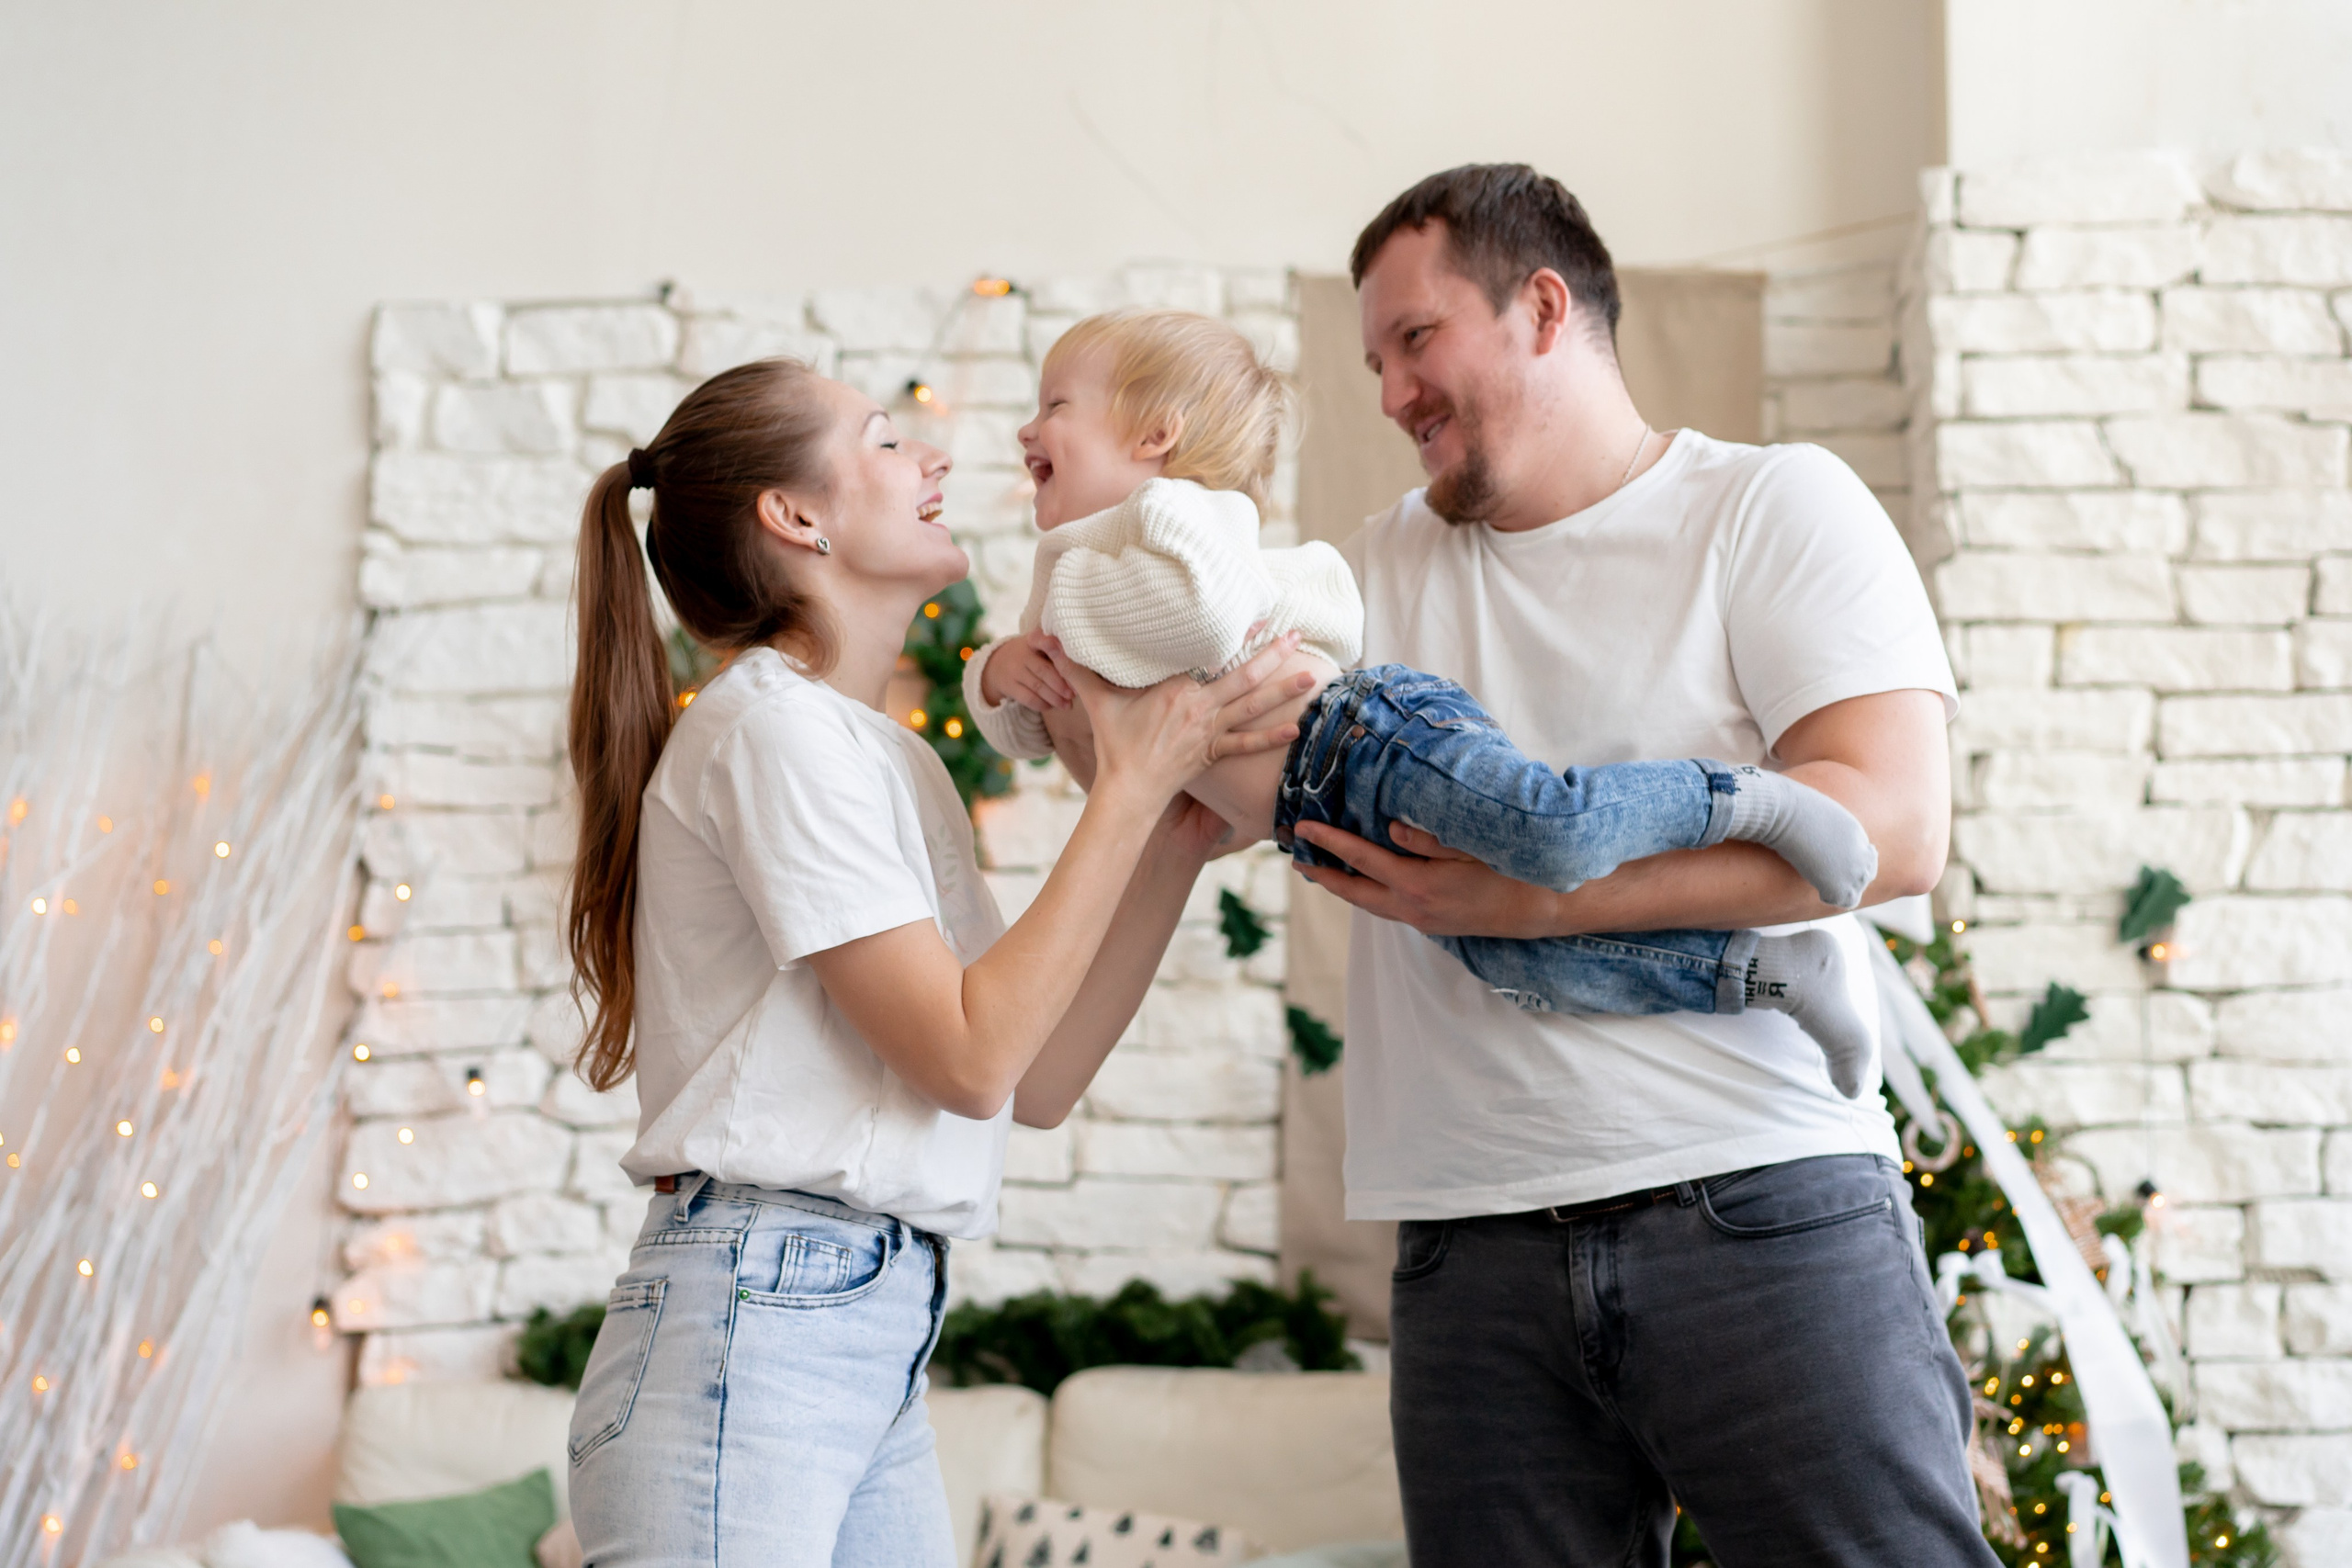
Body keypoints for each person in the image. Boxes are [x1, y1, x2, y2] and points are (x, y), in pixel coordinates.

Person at [1295, 165, 1993, 1567]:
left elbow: (1895, 824)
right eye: (1373, 363)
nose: (1392, 394)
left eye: (1417, 339)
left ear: (1544, 306)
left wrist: (1536, 896)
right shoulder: (1360, 579)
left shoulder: (1770, 507)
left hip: (1759, 1192)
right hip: (1466, 1242)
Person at [558, 357, 1311, 1568]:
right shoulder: (772, 731)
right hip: (758, 1314)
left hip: (862, 1318)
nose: (936, 457)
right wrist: (1129, 783)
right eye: (884, 439)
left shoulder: (889, 758)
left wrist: (1171, 831)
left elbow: (1034, 1076)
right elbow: (970, 1059)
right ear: (794, 516)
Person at [964, 308, 1882, 1089]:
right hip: (1319, 818)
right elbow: (1032, 729)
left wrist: (1076, 618)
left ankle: (1751, 800)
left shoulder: (1180, 516)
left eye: (1055, 407)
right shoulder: (1074, 567)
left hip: (1363, 740)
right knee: (1523, 963)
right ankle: (1768, 974)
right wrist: (999, 671)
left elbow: (1203, 623)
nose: (1026, 431)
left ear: (1155, 437)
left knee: (1551, 833)